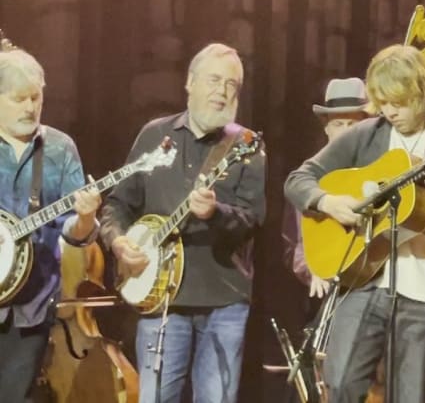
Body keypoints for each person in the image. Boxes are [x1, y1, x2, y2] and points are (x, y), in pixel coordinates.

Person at [284, 44, 425, 403]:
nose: (389, 111)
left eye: (397, 102)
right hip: (364, 280)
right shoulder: (367, 133)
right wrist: (328, 202)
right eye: (382, 102)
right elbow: (298, 179)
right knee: (341, 381)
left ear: (420, 93)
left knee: (415, 396)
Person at [101, 43, 266, 403]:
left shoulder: (246, 145)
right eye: (214, 80)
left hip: (223, 300)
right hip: (161, 302)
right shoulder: (153, 135)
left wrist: (215, 213)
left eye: (232, 85)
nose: (222, 92)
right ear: (190, 83)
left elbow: (253, 220)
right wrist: (118, 242)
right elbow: (117, 205)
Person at [0, 39, 101, 402]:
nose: (30, 107)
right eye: (19, 98)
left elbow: (76, 234)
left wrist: (86, 217)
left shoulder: (59, 149)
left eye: (36, 97)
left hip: (31, 307)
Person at [283, 77, 370, 299]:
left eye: (353, 124)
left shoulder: (379, 169)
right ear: (326, 129)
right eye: (338, 124)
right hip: (330, 293)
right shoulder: (308, 180)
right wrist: (314, 269)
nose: (346, 132)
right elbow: (294, 245)